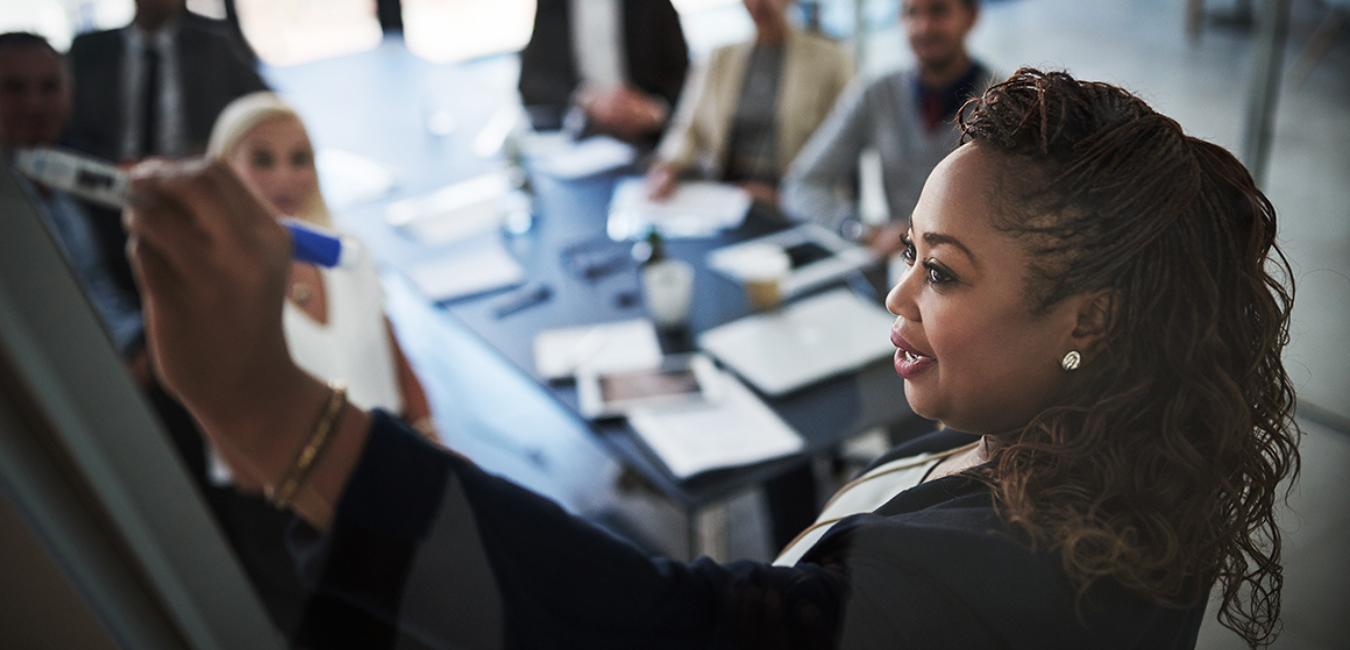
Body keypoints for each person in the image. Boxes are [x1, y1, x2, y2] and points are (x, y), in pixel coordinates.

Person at [125, 69, 1298, 649]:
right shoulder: (1106, 466)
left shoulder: (1005, 583)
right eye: (908, 253)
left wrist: (281, 419)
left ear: (1085, 319)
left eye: (942, 271)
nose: (897, 293)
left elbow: (671, 631)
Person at [207, 91, 435, 443]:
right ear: (224, 170)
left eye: (299, 159)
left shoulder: (347, 251)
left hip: (393, 450)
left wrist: (431, 436)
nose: (285, 177)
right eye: (263, 160)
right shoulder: (216, 290)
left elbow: (392, 349)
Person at [781, 0, 995, 257]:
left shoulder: (1003, 106)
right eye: (911, 13)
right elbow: (801, 185)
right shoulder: (877, 94)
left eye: (938, 11)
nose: (923, 27)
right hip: (898, 265)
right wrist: (858, 229)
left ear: (970, 17)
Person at [0, 32, 142, 357]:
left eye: (48, 87)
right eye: (13, 88)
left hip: (140, 343)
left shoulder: (92, 170)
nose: (33, 103)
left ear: (69, 93)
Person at [645, 0, 853, 207]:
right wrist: (667, 168)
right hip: (725, 194)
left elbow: (843, 147)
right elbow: (687, 128)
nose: (757, 3)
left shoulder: (831, 60)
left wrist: (783, 197)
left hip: (792, 199)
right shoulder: (719, 57)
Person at [65, 0, 268, 163]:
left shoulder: (215, 47)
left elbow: (266, 106)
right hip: (106, 183)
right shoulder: (88, 51)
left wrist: (208, 151)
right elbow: (68, 130)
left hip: (191, 180)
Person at [518, 0, 690, 145]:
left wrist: (656, 112)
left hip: (650, 140)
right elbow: (532, 82)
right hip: (581, 139)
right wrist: (586, 99)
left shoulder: (652, 5)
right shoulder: (553, 5)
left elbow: (687, 76)